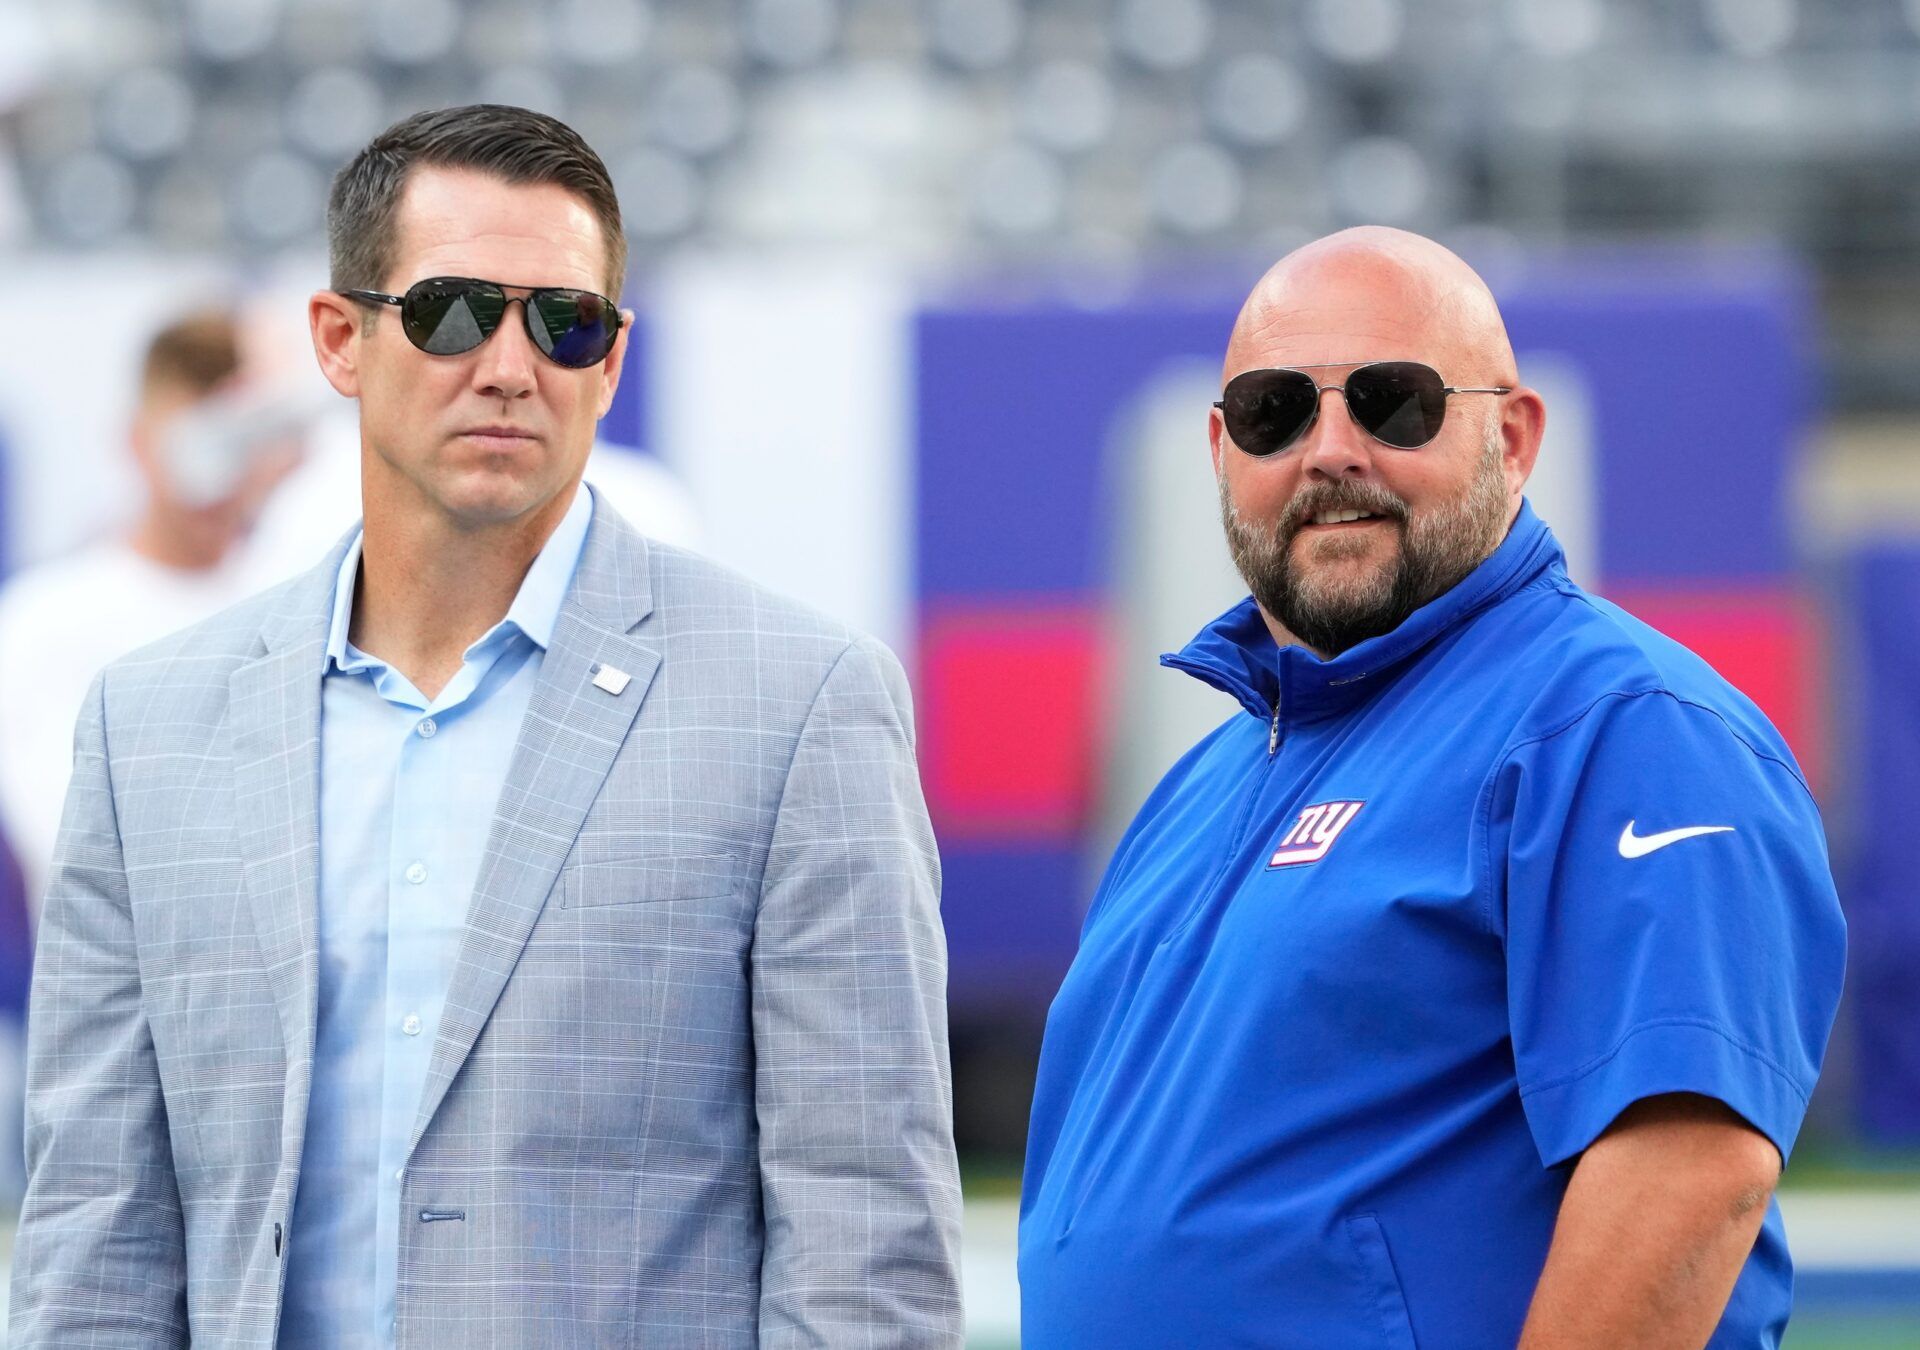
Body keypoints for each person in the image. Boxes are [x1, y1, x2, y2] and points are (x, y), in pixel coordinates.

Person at [11, 104, 961, 1348]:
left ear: (612, 364)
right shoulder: (150, 728)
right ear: (338, 341)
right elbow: (94, 1240)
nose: (510, 366)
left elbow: (866, 1251)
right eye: (455, 310)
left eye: (564, 323)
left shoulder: (802, 703)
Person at [1018, 227, 1846, 1348]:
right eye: (1276, 412)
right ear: (1221, 451)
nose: (1330, 451)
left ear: (1513, 433)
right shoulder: (1202, 787)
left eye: (1392, 400)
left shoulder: (1624, 727)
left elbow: (1693, 1164)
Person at [0, 309, 304, 913]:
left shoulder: (299, 612)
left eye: (241, 438)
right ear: (137, 441)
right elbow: (73, 843)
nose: (217, 475)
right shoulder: (40, 624)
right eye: (197, 441)